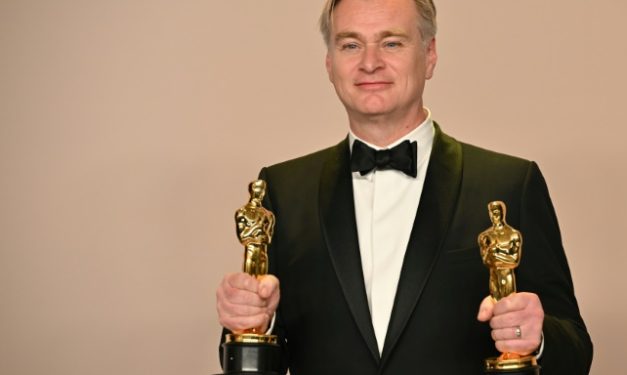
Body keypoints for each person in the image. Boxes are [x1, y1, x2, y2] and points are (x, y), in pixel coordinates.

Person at [215, 0, 593, 373]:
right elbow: (260, 359)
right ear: (329, 63)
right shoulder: (280, 189)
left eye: (391, 42)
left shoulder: (509, 184)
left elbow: (576, 352)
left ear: (429, 55)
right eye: (350, 44)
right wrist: (253, 323)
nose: (369, 62)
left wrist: (538, 338)